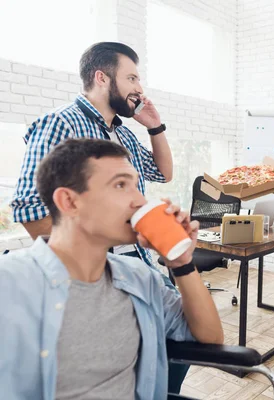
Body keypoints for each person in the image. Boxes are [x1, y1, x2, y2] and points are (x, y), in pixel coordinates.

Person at [9, 41, 190, 392]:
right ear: (102, 77)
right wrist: (89, 261)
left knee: (174, 356)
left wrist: (155, 126)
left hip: (140, 269)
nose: (139, 87)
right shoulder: (60, 122)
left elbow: (162, 172)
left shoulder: (121, 133)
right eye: (132, 77)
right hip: (92, 280)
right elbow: (27, 207)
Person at [0, 138, 224, 400]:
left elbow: (210, 337)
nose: (140, 200)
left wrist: (181, 263)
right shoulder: (10, 284)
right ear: (69, 202)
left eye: (136, 185)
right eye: (120, 185)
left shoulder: (141, 278)